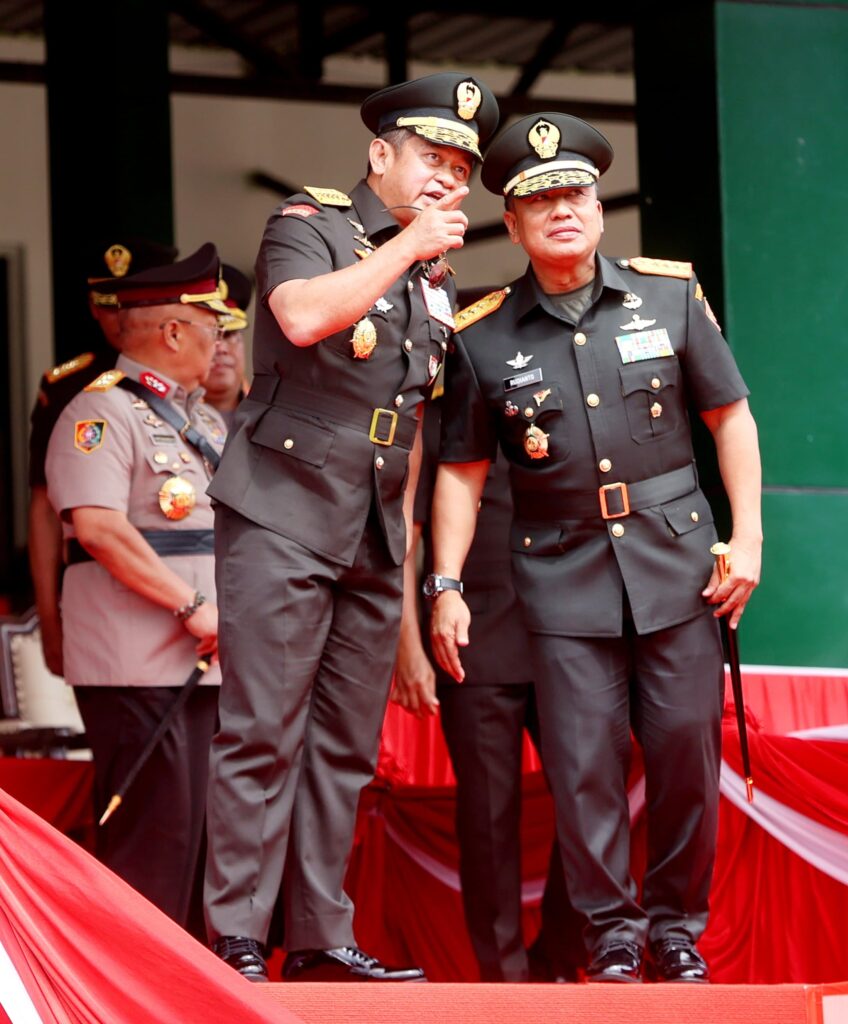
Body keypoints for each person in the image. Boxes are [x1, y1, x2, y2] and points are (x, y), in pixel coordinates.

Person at [429, 113, 762, 984]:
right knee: (583, 767)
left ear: (599, 207)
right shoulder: (482, 333)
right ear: (515, 223)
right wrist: (445, 583)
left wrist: (749, 537)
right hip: (559, 571)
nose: (562, 210)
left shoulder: (668, 296)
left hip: (679, 563)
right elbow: (460, 473)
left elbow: (731, 420)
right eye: (541, 201)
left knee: (687, 747)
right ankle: (612, 934)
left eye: (575, 193)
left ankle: (676, 928)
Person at [202, 72, 499, 984]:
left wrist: (412, 584)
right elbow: (297, 317)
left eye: (460, 167)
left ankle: (321, 934)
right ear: (381, 155)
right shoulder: (312, 225)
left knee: (344, 743)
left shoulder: (435, 281)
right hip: (284, 508)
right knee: (262, 729)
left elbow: (409, 433)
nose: (446, 178)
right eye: (430, 159)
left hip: (372, 526)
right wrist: (408, 242)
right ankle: (235, 937)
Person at [44, 243, 230, 929]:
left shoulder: (204, 422)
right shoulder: (99, 414)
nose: (220, 346)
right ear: (174, 331)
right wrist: (192, 605)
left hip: (204, 662)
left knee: (203, 840)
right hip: (138, 663)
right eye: (212, 330)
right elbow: (99, 528)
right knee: (155, 836)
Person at [394, 398, 587, 982]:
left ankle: (559, 954)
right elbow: (406, 539)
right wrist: (408, 645)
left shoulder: (567, 398)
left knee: (598, 803)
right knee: (487, 821)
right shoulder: (442, 420)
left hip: (571, 640)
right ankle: (505, 982)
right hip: (471, 644)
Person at [27, 237, 178, 676]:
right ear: (94, 307)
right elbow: (44, 507)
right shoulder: (65, 387)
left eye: (132, 302)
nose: (120, 316)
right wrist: (49, 619)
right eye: (109, 303)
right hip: (104, 591)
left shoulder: (195, 373)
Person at [203, 264, 252, 425]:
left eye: (229, 335)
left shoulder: (273, 414)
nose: (221, 349)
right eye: (211, 335)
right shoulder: (164, 415)